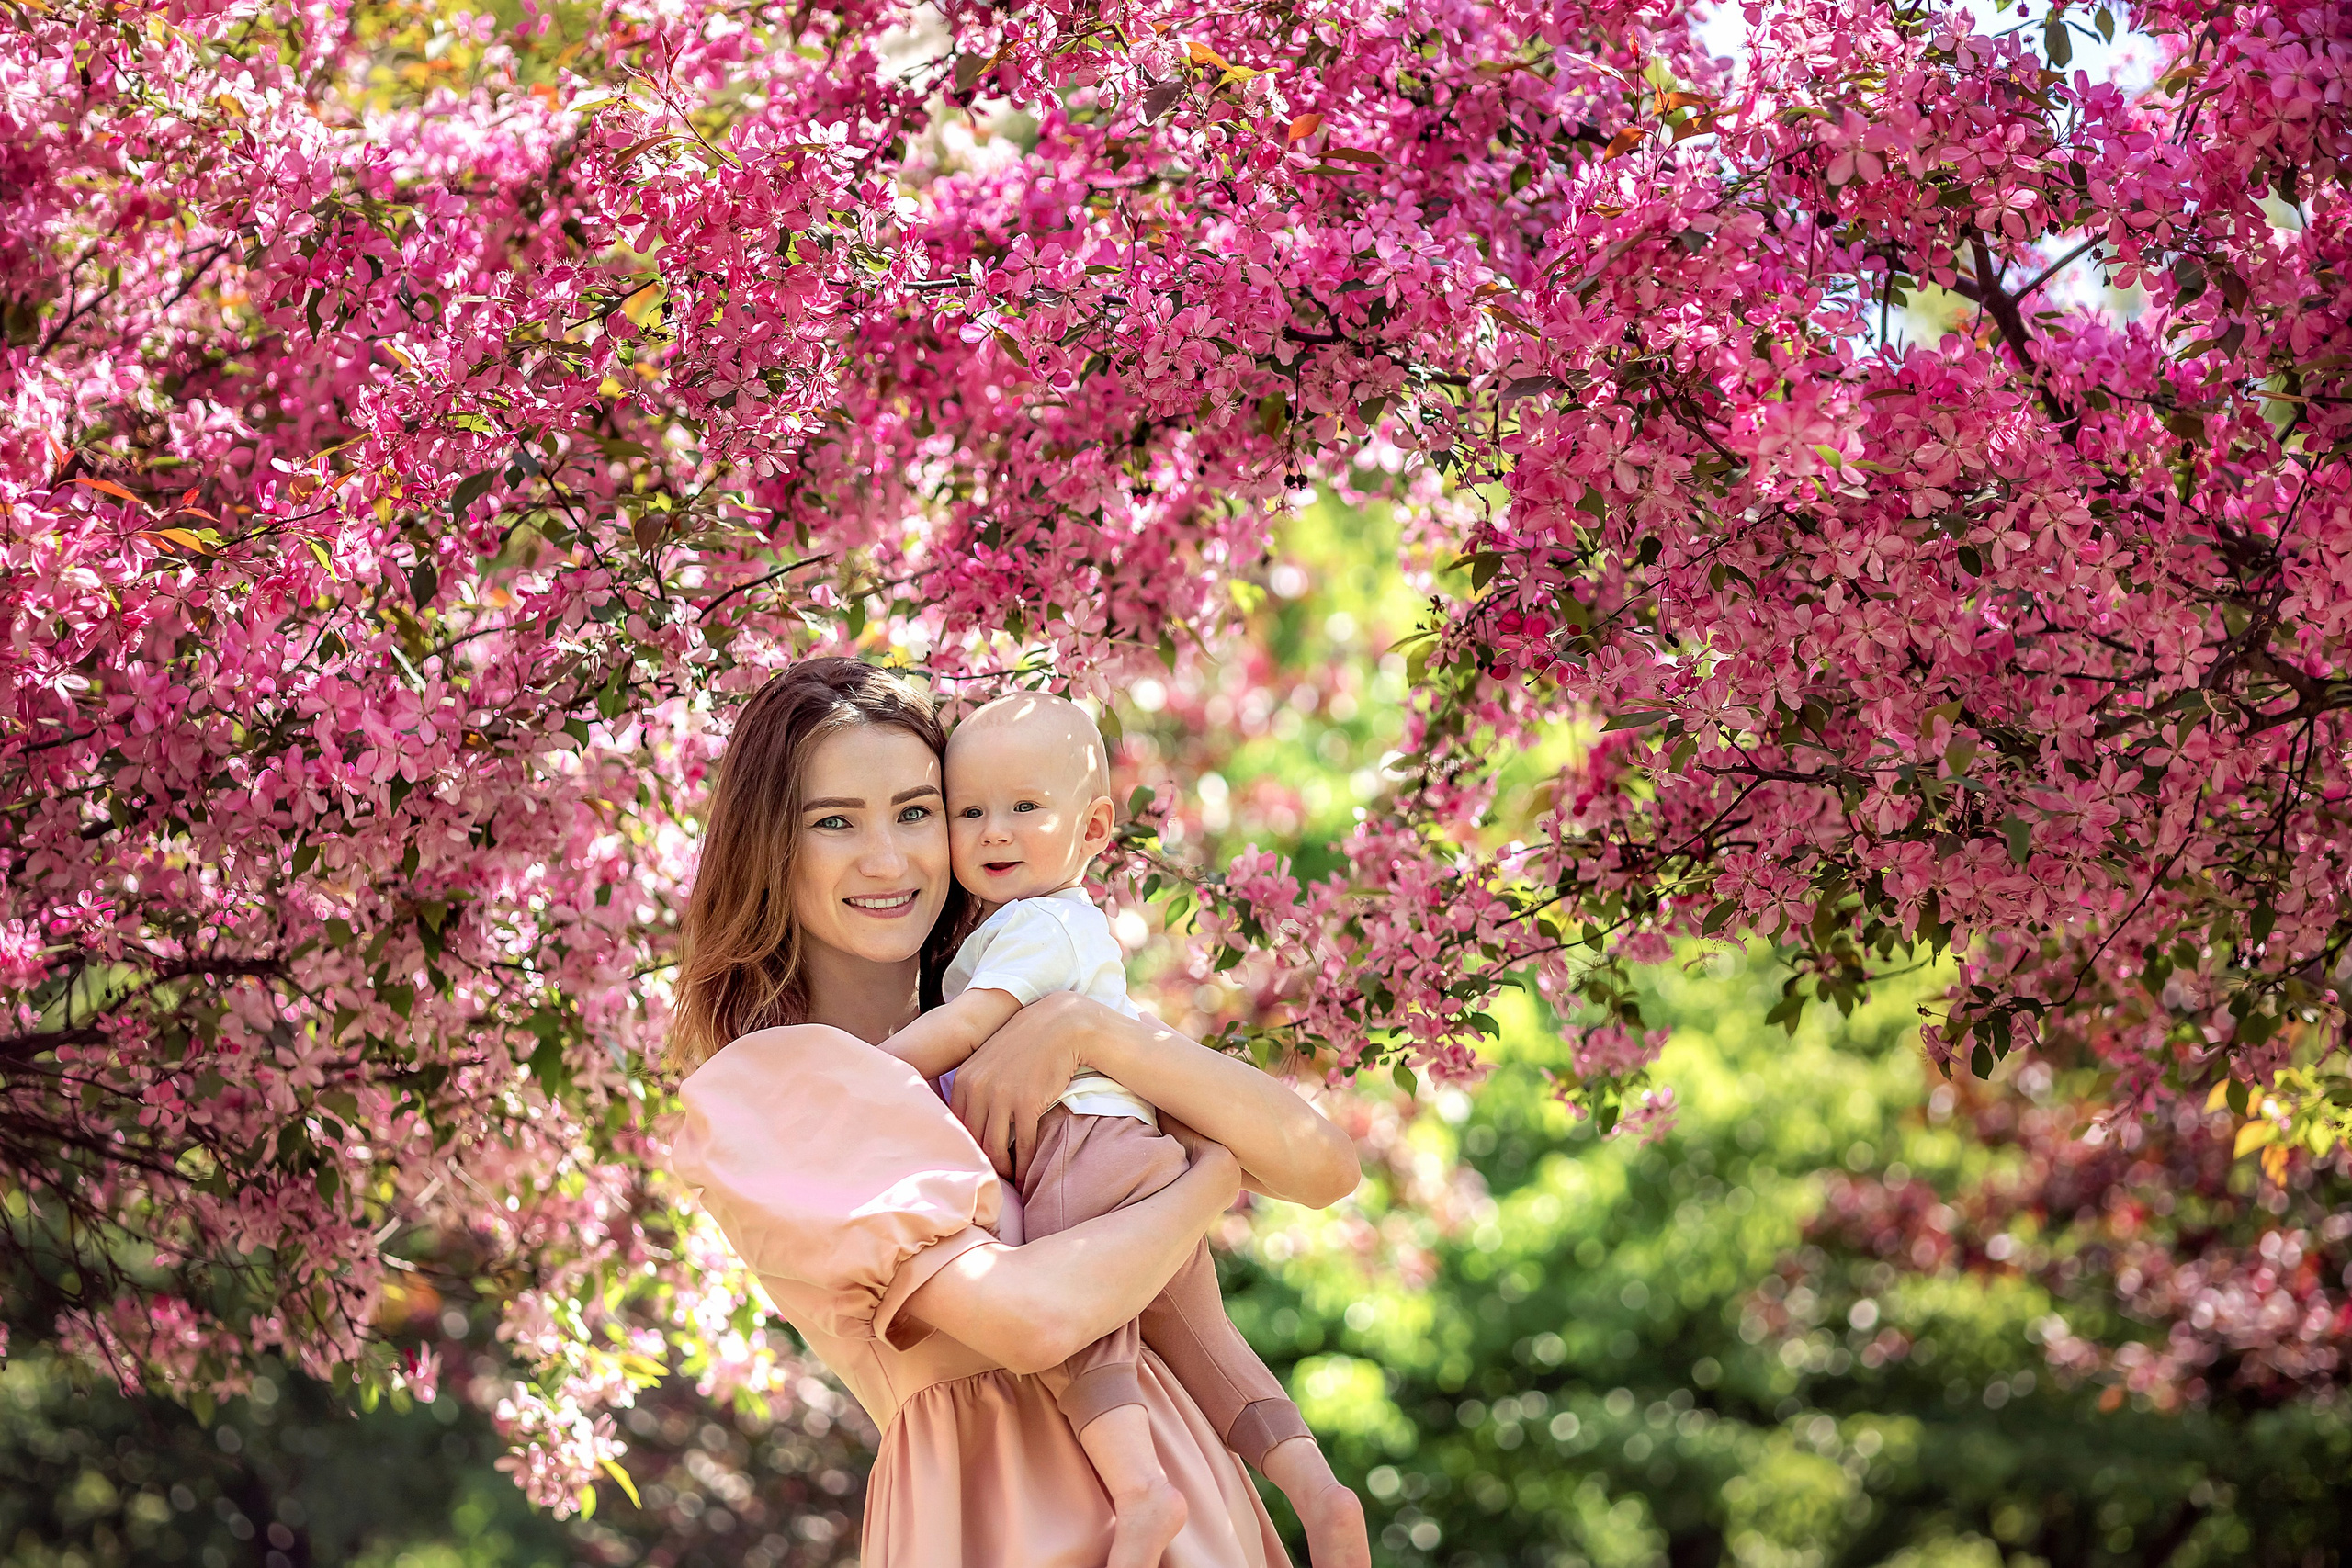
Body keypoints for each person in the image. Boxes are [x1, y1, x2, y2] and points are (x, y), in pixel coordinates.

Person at [666, 659, 1364, 1568]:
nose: (889, 859)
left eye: (916, 811)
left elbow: (1322, 1167)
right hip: (1003, 1520)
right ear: (769, 848)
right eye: (835, 821)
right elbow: (1032, 1320)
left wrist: (1091, 1032)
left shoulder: (1032, 1006)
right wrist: (1212, 1178)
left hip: (1191, 1500)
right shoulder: (776, 1087)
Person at [869, 692, 1366, 1568]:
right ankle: (1320, 1493)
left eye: (1025, 806)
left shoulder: (1034, 924)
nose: (993, 831)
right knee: (1208, 1345)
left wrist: (866, 1069)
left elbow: (967, 1025)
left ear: (1095, 826)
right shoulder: (1065, 929)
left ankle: (1141, 1493)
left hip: (1079, 1149)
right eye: (968, 811)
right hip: (1140, 1153)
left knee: (1092, 1335)